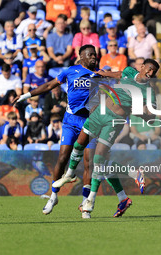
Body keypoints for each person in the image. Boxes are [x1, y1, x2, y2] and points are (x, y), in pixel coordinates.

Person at [52, 59, 160, 218]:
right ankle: (122, 195)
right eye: (149, 69)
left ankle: (89, 203)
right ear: (142, 67)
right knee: (80, 145)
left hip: (113, 122)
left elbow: (151, 117)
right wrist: (100, 73)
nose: (151, 73)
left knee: (98, 160)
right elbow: (116, 74)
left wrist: (146, 112)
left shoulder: (148, 92)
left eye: (154, 72)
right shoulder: (129, 71)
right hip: (99, 114)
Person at [13, 45, 100, 218]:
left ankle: (85, 204)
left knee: (88, 162)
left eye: (95, 55)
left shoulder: (99, 75)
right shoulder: (70, 71)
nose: (93, 58)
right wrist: (26, 95)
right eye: (90, 55)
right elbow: (49, 85)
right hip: (70, 121)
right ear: (81, 57)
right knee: (62, 157)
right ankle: (53, 196)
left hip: (90, 121)